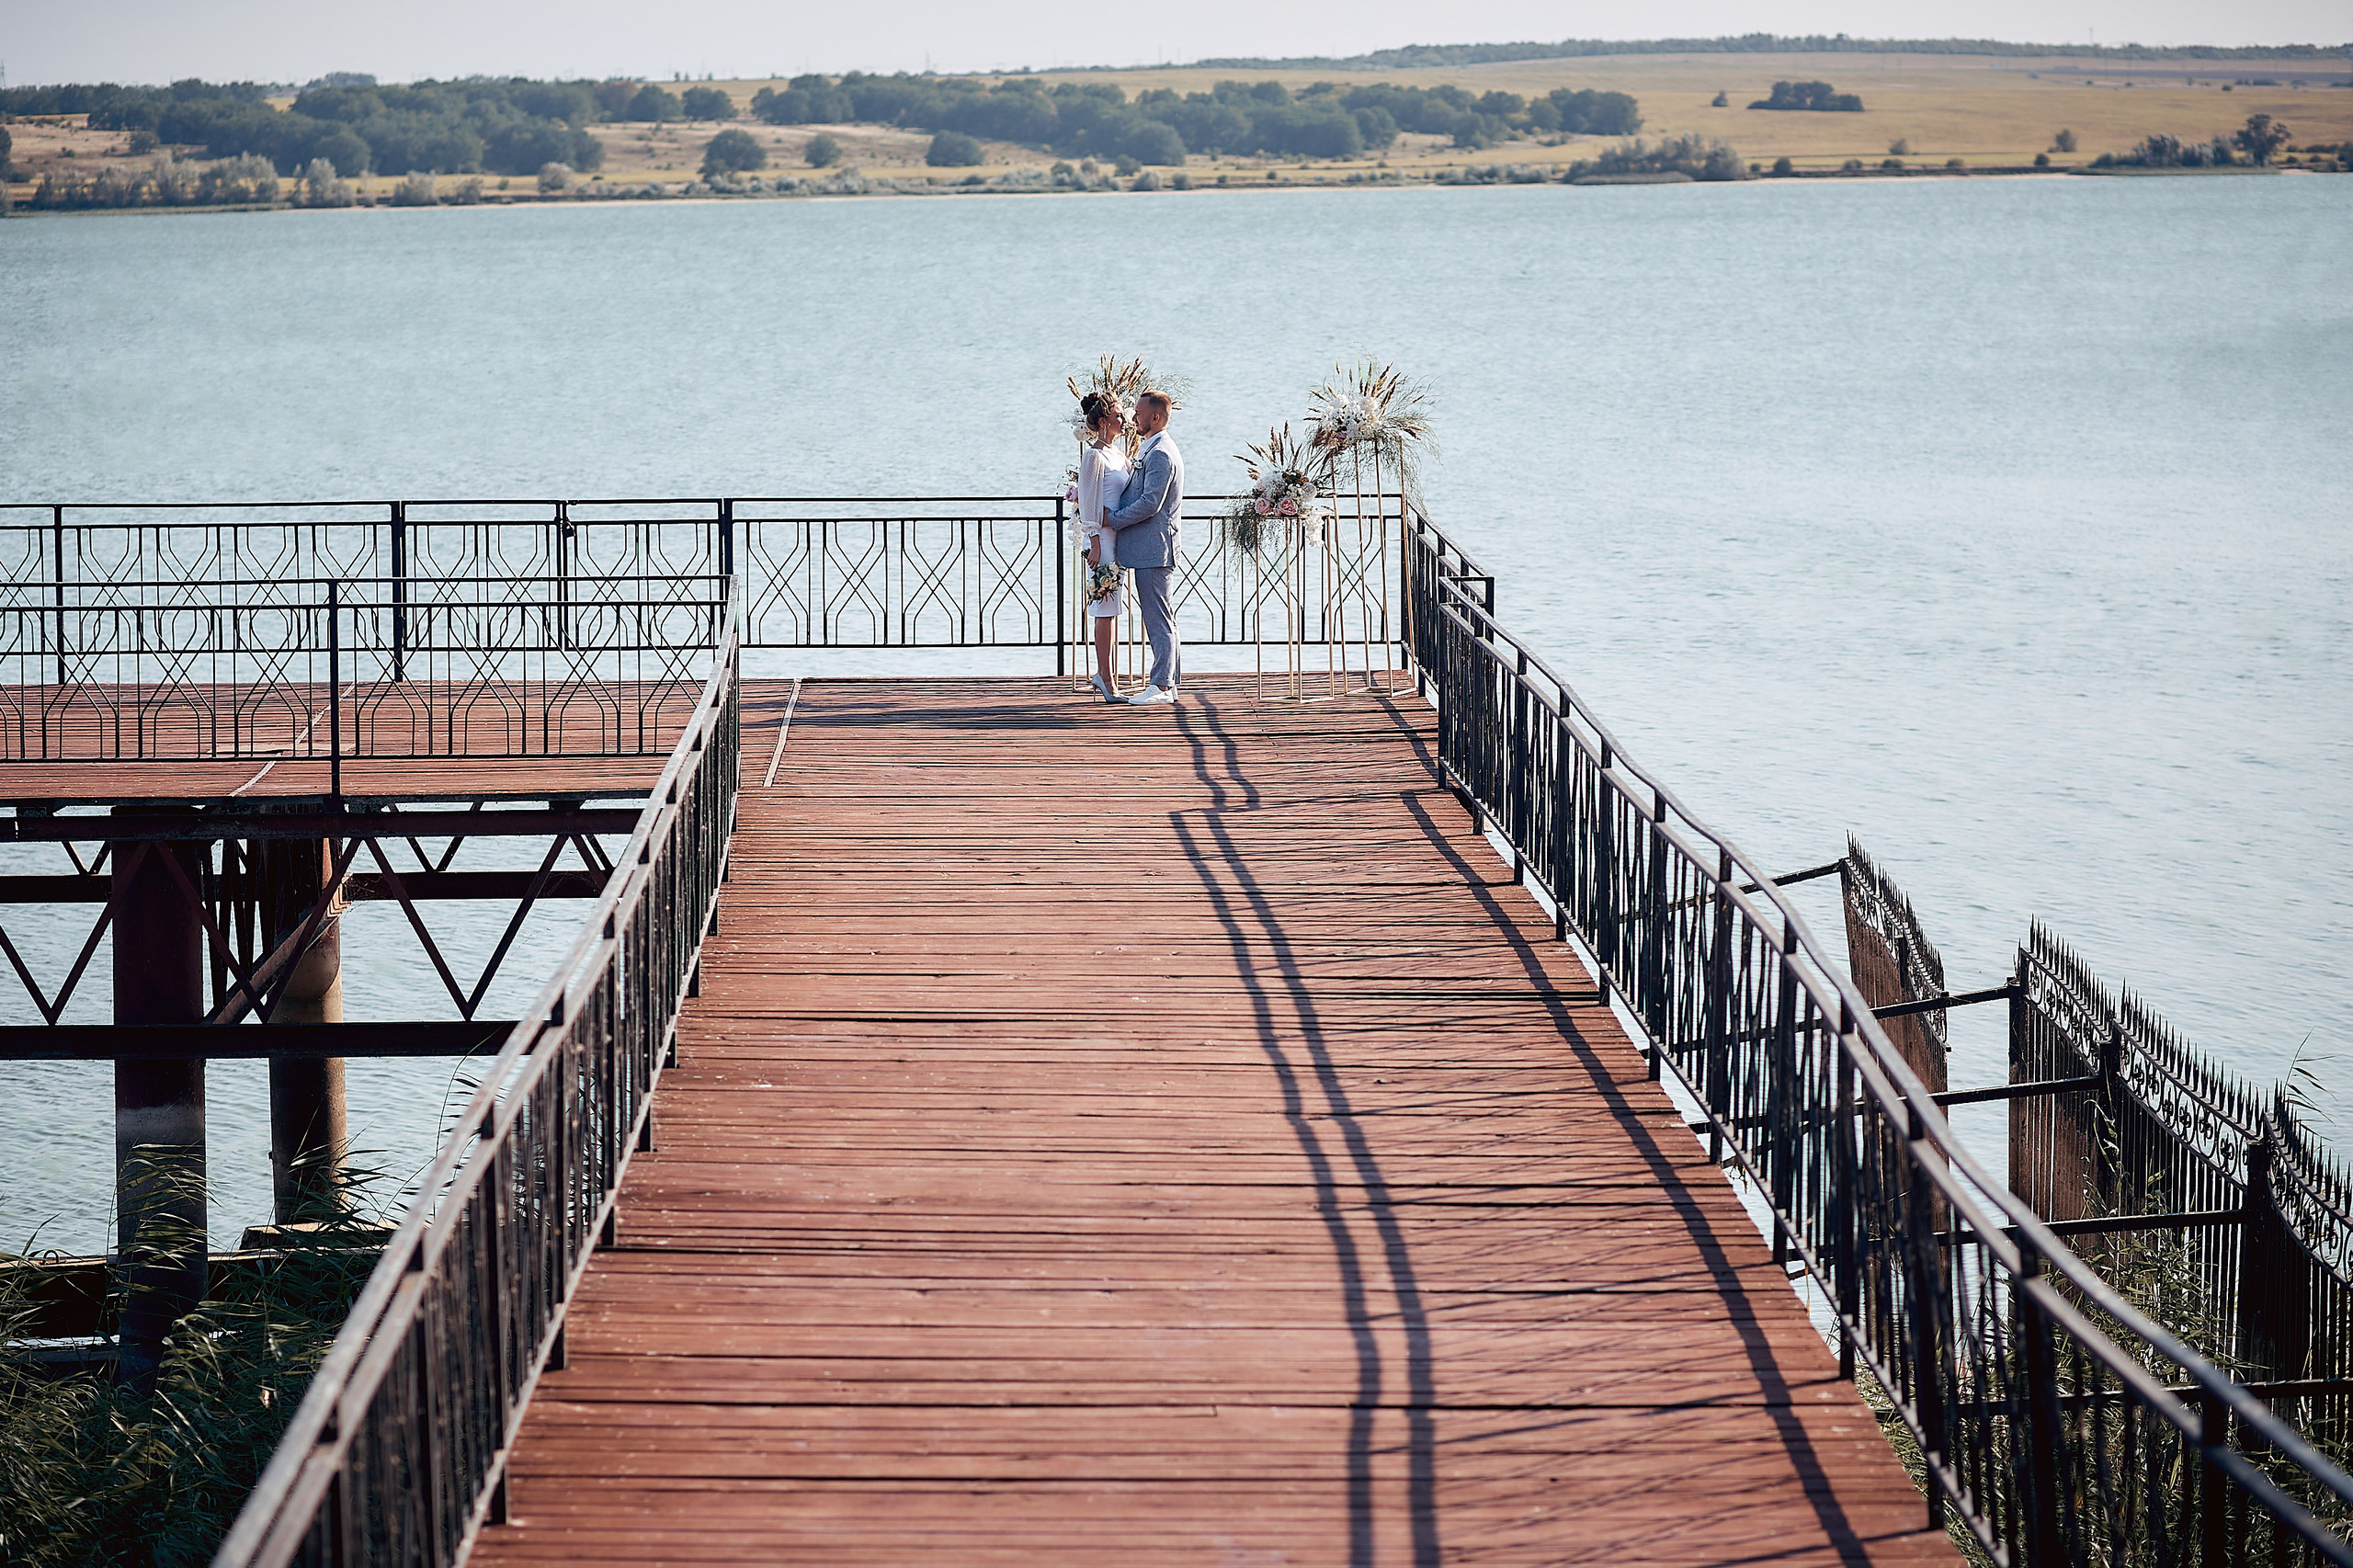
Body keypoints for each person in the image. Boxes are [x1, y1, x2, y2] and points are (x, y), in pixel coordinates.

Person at [1101, 390, 1185, 705]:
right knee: (1163, 617)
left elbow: (1151, 503)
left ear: (1155, 417)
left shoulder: (1161, 454)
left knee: (1158, 619)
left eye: (1138, 413)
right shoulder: (1153, 448)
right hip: (1151, 547)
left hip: (1155, 548)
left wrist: (1113, 519)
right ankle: (1169, 685)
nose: (1133, 417)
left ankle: (1161, 686)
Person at [1074, 392, 1131, 703]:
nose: (1123, 419)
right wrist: (1094, 543)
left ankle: (1107, 675)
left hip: (1119, 537)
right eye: (1118, 415)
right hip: (1102, 541)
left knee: (1113, 607)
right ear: (1103, 421)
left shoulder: (1119, 455)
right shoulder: (1093, 456)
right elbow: (1088, 502)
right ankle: (1104, 676)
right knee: (1104, 608)